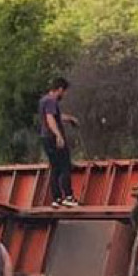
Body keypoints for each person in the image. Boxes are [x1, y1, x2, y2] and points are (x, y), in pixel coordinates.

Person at [38, 77, 80, 208]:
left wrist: (70, 119)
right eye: (64, 92)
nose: (64, 95)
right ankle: (68, 196)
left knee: (55, 167)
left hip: (45, 138)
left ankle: (56, 199)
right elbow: (50, 119)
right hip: (53, 137)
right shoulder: (51, 101)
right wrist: (58, 135)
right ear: (60, 89)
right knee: (65, 165)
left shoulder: (44, 100)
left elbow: (54, 116)